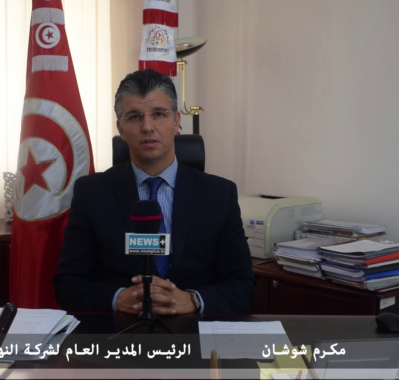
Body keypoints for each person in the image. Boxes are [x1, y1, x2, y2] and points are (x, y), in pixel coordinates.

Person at [54, 69, 254, 315]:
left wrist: (192, 300)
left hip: (192, 329)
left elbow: (242, 285)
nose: (147, 127)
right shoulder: (92, 194)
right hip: (121, 329)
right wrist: (117, 299)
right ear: (120, 128)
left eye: (159, 114)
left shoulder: (219, 195)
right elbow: (68, 283)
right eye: (134, 117)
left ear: (176, 121)